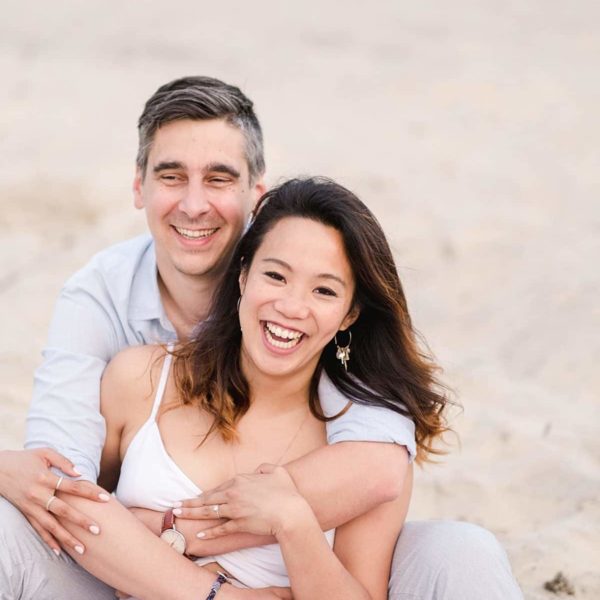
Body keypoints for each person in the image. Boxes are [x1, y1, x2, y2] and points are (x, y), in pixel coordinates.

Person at [0, 77, 523, 599]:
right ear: (245, 278)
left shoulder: (357, 398)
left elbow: (382, 470)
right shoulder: (117, 330)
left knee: (465, 549)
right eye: (173, 175)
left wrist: (285, 521)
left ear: (255, 194)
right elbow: (59, 490)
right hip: (119, 578)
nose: (195, 204)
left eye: (323, 290)